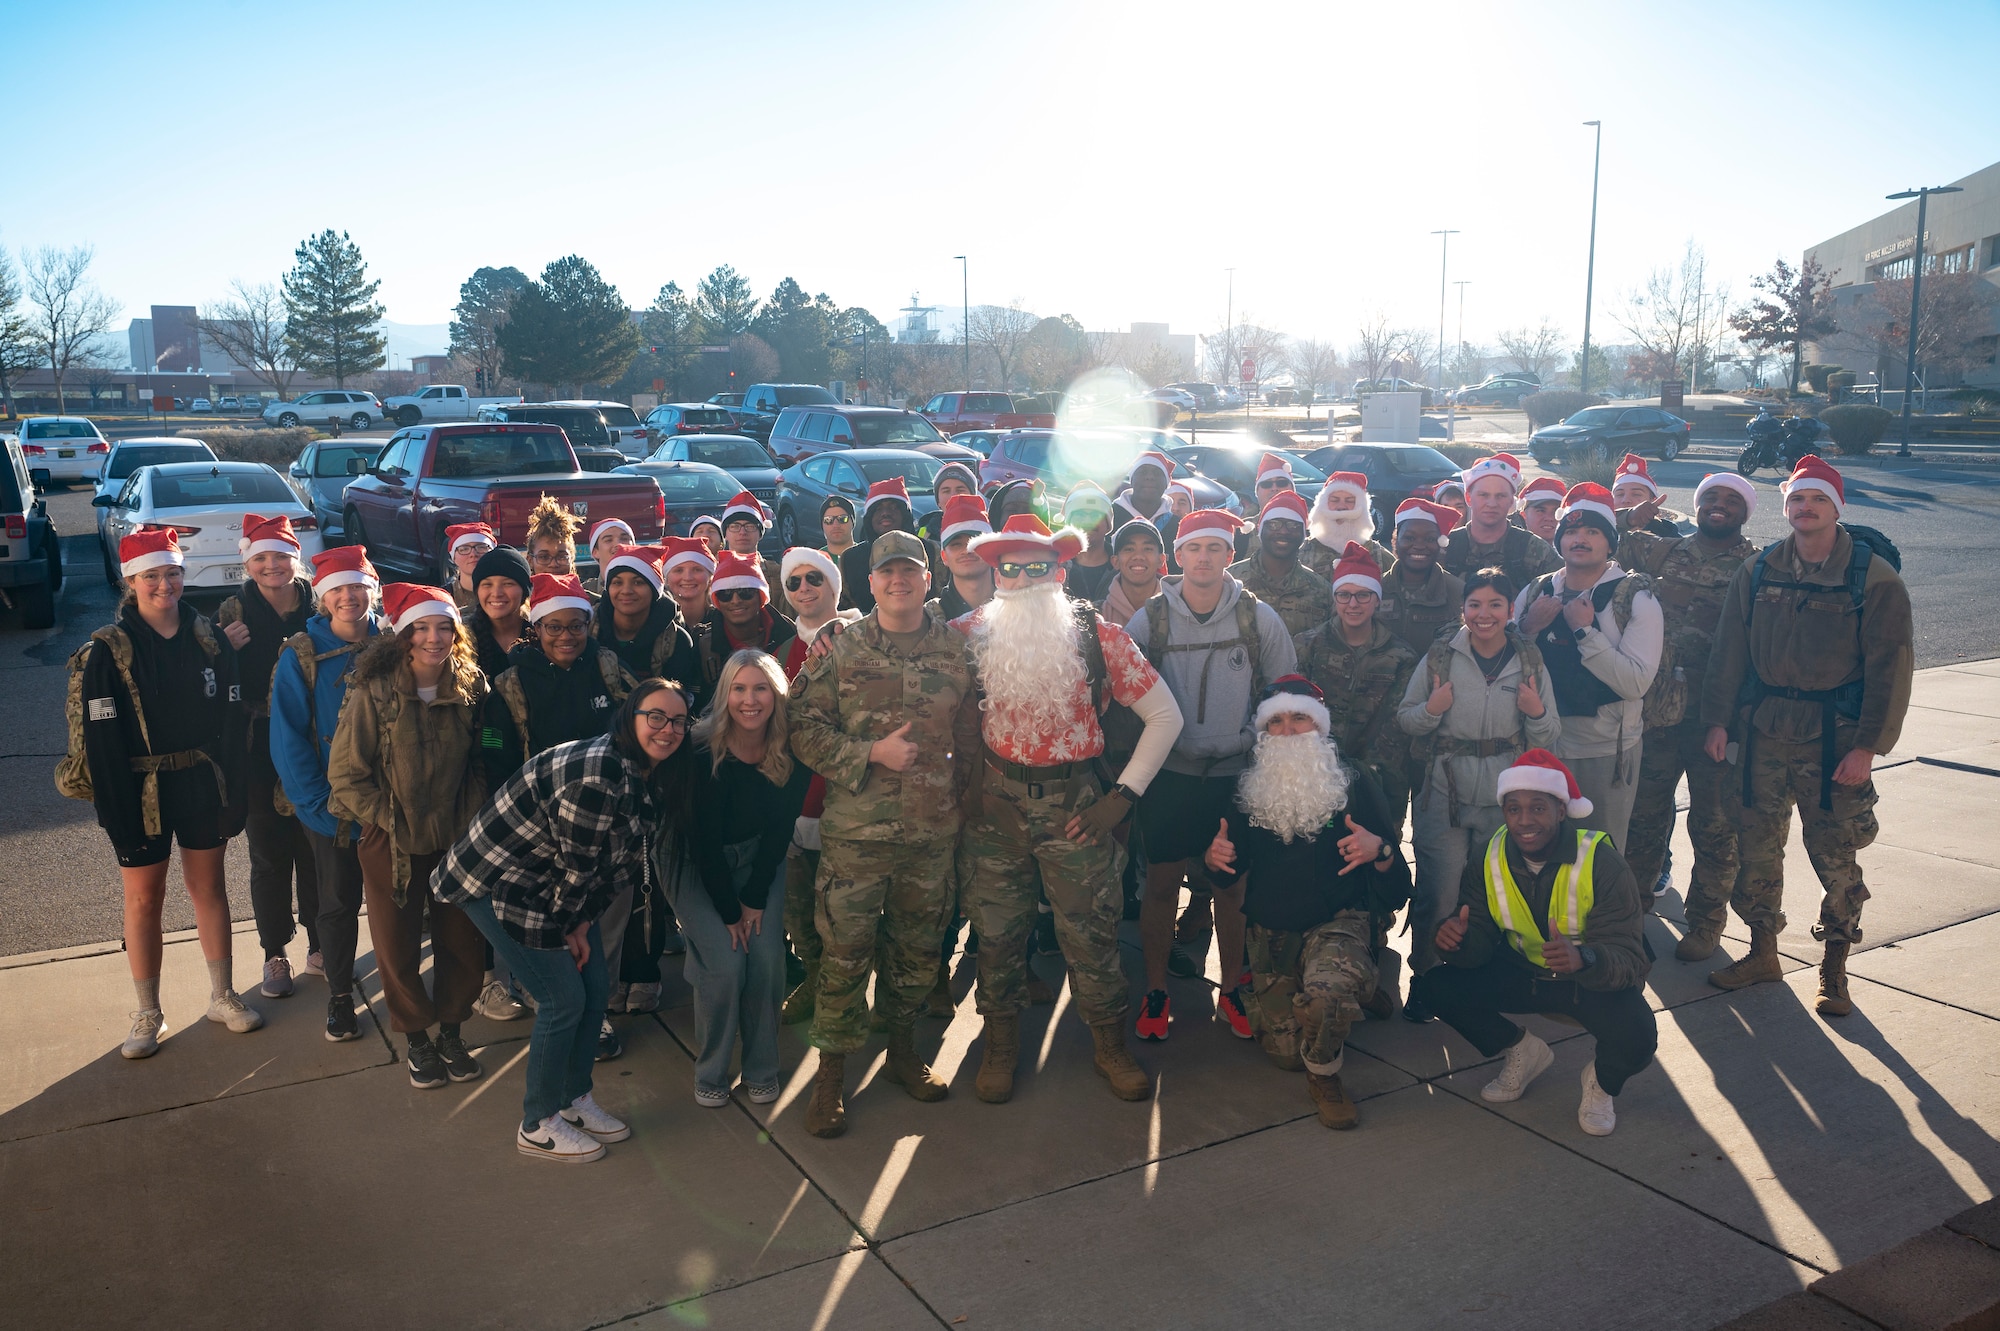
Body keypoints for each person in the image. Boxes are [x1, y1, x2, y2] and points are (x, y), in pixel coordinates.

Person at [955, 514, 1182, 1103]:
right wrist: (833, 630)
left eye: (1038, 566)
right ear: (995, 571)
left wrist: (1120, 799)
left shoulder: (1098, 636)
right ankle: (1001, 1043)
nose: (1025, 578)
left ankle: (1109, 1042)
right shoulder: (965, 634)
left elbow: (1166, 717)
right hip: (996, 808)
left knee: (1091, 932)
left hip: (1078, 807)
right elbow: (897, 653)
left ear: (1060, 570)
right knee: (998, 934)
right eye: (1011, 567)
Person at [437, 680, 694, 1163]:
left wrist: (578, 925)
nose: (668, 729)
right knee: (561, 998)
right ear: (629, 717)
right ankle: (538, 1123)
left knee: (596, 987)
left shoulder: (649, 770)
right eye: (655, 716)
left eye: (678, 720)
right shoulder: (598, 775)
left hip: (555, 885)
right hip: (500, 881)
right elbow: (578, 869)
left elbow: (606, 866)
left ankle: (573, 1099)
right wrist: (571, 927)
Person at [1700, 456, 1912, 1017]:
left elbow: (1891, 669)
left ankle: (1834, 969)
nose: (1805, 508)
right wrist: (1717, 721)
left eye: (1817, 500)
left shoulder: (1872, 577)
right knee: (1757, 850)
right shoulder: (1761, 568)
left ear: (1835, 508)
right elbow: (1729, 651)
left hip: (1834, 740)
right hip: (1765, 732)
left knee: (1837, 856)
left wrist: (1868, 746)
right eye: (1796, 500)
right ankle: (1762, 952)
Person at [788, 530, 980, 1138]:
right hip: (858, 838)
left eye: (911, 571)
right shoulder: (842, 649)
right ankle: (830, 1079)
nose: (900, 581)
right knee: (844, 959)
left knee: (917, 954)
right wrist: (868, 753)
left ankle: (902, 1054)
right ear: (870, 583)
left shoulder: (955, 650)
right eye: (887, 572)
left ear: (929, 579)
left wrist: (963, 803)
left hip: (930, 837)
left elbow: (972, 737)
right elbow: (798, 725)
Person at [80, 529, 259, 1059]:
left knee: (209, 889)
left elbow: (231, 718)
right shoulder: (108, 651)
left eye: (173, 573)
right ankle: (148, 1012)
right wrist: (115, 811)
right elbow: (101, 741)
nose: (165, 585)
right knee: (143, 898)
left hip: (201, 780)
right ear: (130, 581)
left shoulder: (209, 638)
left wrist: (234, 788)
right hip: (140, 789)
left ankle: (222, 995)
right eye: (151, 576)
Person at [1201, 676, 1411, 1128]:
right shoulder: (1248, 787)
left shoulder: (1355, 782)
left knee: (1324, 999)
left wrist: (1383, 852)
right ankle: (1362, 986)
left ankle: (1326, 1074)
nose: (1289, 730)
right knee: (1284, 1055)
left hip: (1341, 919)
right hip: (1273, 926)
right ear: (1263, 731)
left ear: (1320, 727)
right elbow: (1227, 872)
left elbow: (1399, 886)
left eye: (1300, 718)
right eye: (1276, 721)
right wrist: (1213, 859)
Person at [1124, 508, 1298, 1042]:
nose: (1204, 558)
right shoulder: (1148, 620)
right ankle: (1157, 990)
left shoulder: (1257, 617)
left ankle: (1231, 988)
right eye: (1194, 548)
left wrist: (1253, 745)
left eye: (1215, 549)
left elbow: (1285, 694)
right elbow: (1123, 696)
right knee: (1160, 886)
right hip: (1169, 777)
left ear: (1229, 555)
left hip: (1233, 776)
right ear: (1178, 557)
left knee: (1231, 887)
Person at [1418, 750, 1657, 1137]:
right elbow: (1477, 932)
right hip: (1522, 973)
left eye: (1538, 808)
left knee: (1638, 1039)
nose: (1525, 820)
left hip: (1585, 982)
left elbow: (1631, 957)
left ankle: (1600, 1083)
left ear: (1562, 811)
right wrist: (1455, 940)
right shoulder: (1488, 855)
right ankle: (1522, 1051)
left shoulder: (1602, 862)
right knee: (1434, 988)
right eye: (1514, 809)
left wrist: (1585, 958)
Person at [327, 584, 490, 1090]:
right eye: (421, 627)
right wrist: (387, 817)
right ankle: (417, 1038)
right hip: (390, 839)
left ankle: (453, 1033)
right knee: (395, 944)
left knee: (462, 939)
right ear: (402, 635)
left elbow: (490, 747)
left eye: (444, 627)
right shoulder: (373, 691)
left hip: (457, 836)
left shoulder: (471, 686)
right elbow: (346, 774)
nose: (434, 639)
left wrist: (473, 809)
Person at [1396, 569, 1560, 1022]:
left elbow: (1551, 734)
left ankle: (1485, 981)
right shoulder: (1440, 657)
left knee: (1494, 894)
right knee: (1438, 892)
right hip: (1443, 791)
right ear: (1462, 609)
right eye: (1474, 605)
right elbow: (1407, 718)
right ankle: (1426, 980)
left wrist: (1537, 711)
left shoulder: (1528, 659)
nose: (1483, 614)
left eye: (1495, 605)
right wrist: (1432, 710)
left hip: (1506, 795)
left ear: (1511, 611)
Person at [1614, 472, 1758, 949]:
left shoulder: (1757, 565)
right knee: (1643, 820)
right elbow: (1579, 535)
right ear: (1696, 507)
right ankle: (1633, 913)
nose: (1719, 505)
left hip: (1715, 719)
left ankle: (1705, 924)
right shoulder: (1661, 550)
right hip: (1656, 716)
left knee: (1714, 827)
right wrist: (1628, 517)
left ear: (1746, 512)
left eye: (1731, 500)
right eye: (1711, 497)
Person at [679, 651, 813, 1106]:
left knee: (767, 961)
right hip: (698, 865)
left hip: (759, 858)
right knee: (725, 965)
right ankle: (712, 1071)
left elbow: (780, 831)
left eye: (760, 689)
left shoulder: (792, 749)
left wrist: (754, 899)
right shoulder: (700, 749)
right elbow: (701, 840)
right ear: (725, 694)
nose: (749, 700)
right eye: (739, 689)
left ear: (777, 696)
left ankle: (761, 1066)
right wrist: (730, 910)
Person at [270, 546, 383, 1042]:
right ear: (321, 596)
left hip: (391, 804)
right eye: (336, 588)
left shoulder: (395, 640)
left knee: (396, 903)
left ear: (371, 589)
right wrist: (315, 803)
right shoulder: (302, 655)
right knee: (337, 904)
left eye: (356, 586)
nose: (348, 597)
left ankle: (401, 991)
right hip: (330, 807)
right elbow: (288, 736)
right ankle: (339, 997)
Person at [1514, 483, 1663, 851]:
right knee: (1536, 857)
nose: (1580, 539)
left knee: (1598, 860)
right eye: (1572, 531)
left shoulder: (1635, 598)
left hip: (1604, 755)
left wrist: (1584, 631)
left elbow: (1634, 683)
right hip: (1540, 746)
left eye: (1592, 531)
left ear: (1610, 542)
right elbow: (1506, 666)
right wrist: (1529, 628)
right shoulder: (1536, 592)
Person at [216, 514, 319, 999]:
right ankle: (274, 952)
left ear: (296, 559)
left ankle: (320, 943)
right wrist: (223, 649)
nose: (272, 566)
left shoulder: (319, 606)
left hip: (315, 743)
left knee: (316, 846)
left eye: (281, 556)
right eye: (261, 558)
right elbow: (209, 680)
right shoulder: (232, 611)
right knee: (268, 854)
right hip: (257, 747)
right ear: (248, 563)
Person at [774, 545, 863, 1025]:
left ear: (834, 586)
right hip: (793, 801)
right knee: (799, 910)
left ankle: (851, 997)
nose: (805, 589)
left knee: (847, 915)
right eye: (794, 582)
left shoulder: (864, 639)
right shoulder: (779, 654)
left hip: (849, 800)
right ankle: (814, 979)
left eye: (815, 579)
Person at [692, 553, 799, 706]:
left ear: (761, 597)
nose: (736, 600)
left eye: (745, 592)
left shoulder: (790, 635)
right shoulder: (702, 646)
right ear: (717, 602)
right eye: (725, 594)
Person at [1442, 453, 1561, 588]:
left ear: (1511, 500)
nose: (1492, 503)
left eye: (1501, 496)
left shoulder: (1534, 549)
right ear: (1468, 498)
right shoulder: (1446, 548)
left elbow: (1566, 586)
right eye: (1483, 495)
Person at [590, 544, 699, 688]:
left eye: (638, 582)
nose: (626, 590)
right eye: (617, 582)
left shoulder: (676, 642)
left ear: (654, 591)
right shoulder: (587, 630)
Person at [1228, 490, 1332, 636]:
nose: (1283, 531)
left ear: (1304, 533)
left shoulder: (1323, 591)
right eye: (1274, 524)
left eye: (1293, 525)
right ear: (1260, 528)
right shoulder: (1230, 581)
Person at [838, 477, 945, 614]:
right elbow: (841, 610)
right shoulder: (849, 559)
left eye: (894, 508)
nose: (885, 513)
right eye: (878, 509)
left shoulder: (932, 551)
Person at [1376, 498, 1464, 657]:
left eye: (1430, 539)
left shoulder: (1458, 593)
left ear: (1440, 544)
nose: (1419, 545)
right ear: (1395, 541)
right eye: (1409, 538)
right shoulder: (1375, 589)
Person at [1299, 470, 1395, 584]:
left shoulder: (1380, 558)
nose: (1341, 507)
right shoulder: (1300, 554)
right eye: (1334, 500)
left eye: (1350, 501)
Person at [467, 545, 533, 680]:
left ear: (524, 592)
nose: (497, 594)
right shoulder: (463, 639)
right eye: (487, 584)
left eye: (507, 584)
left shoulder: (542, 632)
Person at [927, 493, 996, 621]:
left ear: (991, 549)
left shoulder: (1016, 608)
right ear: (944, 556)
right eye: (956, 544)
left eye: (976, 542)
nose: (967, 550)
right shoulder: (929, 619)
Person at [718, 491, 788, 614]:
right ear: (725, 534)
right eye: (735, 526)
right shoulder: (713, 573)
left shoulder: (778, 574)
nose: (742, 532)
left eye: (750, 526)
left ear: (760, 533)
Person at [1058, 481, 1117, 604]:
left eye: (1096, 515)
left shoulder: (1122, 568)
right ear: (1069, 523)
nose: (1088, 521)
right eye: (1080, 514)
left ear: (1108, 525)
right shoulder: (1053, 565)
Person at [1101, 519, 1165, 625]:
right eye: (1129, 549)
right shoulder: (1098, 616)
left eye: (1148, 549)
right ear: (1115, 561)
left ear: (1161, 560)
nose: (1138, 556)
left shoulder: (1180, 612)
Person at [1610, 454, 1680, 538]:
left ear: (1652, 500)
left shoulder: (1669, 536)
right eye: (1620, 494)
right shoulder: (1601, 534)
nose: (1626, 500)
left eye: (1636, 494)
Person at [1111, 449, 1177, 535]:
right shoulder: (1112, 516)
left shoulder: (1175, 524)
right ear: (1132, 479)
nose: (1150, 477)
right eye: (1143, 472)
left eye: (1157, 473)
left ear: (1167, 483)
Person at [916, 461, 981, 544]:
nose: (953, 496)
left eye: (960, 490)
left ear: (972, 496)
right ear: (938, 500)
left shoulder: (987, 531)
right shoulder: (923, 534)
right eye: (946, 491)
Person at [526, 494, 584, 579]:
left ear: (572, 558)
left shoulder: (583, 593)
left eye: (561, 557)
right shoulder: (520, 592)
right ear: (530, 560)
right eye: (544, 557)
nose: (553, 564)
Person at [663, 535, 715, 628]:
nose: (688, 577)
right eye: (679, 570)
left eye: (697, 570)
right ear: (666, 579)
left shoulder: (724, 619)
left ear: (710, 576)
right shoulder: (657, 623)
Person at [444, 522, 496, 612]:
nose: (473, 554)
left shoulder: (506, 593)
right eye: (464, 549)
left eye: (481, 547)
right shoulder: (444, 598)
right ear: (453, 558)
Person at [584, 518, 636, 592]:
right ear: (595, 552)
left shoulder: (647, 587)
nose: (618, 544)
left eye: (624, 538)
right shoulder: (584, 593)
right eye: (608, 540)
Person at [1515, 476, 1566, 545]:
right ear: (1524, 515)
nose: (1549, 518)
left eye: (1555, 512)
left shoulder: (1574, 552)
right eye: (1541, 511)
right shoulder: (1508, 552)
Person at [820, 493, 857, 563]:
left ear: (853, 522)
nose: (836, 525)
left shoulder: (867, 556)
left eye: (843, 519)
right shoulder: (816, 560)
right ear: (822, 525)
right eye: (828, 520)